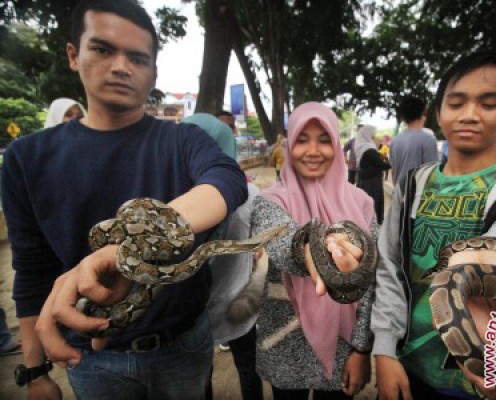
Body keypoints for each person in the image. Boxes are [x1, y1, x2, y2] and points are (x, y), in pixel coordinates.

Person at [1, 1, 247, 399]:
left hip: (183, 344)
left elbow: (226, 180)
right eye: (102, 49)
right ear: (72, 55)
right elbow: (31, 272)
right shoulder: (26, 158)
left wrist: (118, 252)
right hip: (91, 357)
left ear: (153, 71)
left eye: (137, 57)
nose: (120, 66)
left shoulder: (183, 139)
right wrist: (35, 372)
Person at [371, 51, 496, 400]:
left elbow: (494, 261)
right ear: (438, 112)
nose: (469, 115)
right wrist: (384, 349)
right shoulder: (413, 184)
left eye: (489, 103)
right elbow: (389, 266)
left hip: (481, 379)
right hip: (410, 365)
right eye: (457, 102)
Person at [251, 102, 375, 399]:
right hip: (284, 341)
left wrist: (361, 348)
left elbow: (371, 284)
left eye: (324, 140)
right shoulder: (268, 201)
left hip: (343, 343)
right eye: (302, 140)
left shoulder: (361, 203)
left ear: (336, 144)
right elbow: (280, 242)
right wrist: (308, 247)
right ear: (289, 145)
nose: (313, 151)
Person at [183, 113, 263, 400]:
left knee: (199, 374)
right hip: (239, 303)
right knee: (248, 369)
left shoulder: (175, 200)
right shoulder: (251, 192)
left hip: (191, 309)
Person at [388, 96, 438, 186]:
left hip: (399, 193)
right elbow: (433, 175)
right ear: (424, 112)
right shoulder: (428, 139)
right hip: (418, 196)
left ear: (403, 117)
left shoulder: (395, 140)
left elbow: (393, 172)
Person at [354, 125, 390, 224]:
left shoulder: (363, 146)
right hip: (371, 181)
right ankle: (371, 222)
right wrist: (391, 164)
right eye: (372, 136)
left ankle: (367, 220)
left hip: (365, 180)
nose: (374, 138)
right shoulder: (369, 149)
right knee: (372, 202)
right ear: (368, 135)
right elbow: (379, 164)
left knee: (366, 201)